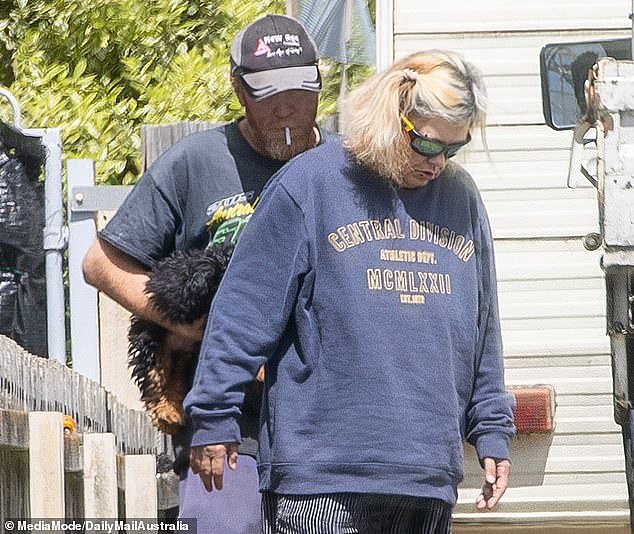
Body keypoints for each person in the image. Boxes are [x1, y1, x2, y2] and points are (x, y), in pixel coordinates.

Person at [184, 49, 516, 533]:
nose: (438, 162)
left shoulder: (461, 198)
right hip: (321, 478)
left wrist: (491, 429)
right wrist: (214, 415)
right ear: (391, 118)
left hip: (425, 477)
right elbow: (243, 311)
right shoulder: (311, 183)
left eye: (454, 148)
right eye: (426, 145)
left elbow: (482, 328)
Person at [82, 13, 324, 533]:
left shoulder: (347, 164)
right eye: (266, 93)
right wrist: (195, 330)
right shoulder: (197, 162)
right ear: (238, 89)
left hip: (325, 430)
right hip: (227, 427)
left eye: (300, 91)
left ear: (320, 84)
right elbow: (100, 264)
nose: (286, 107)